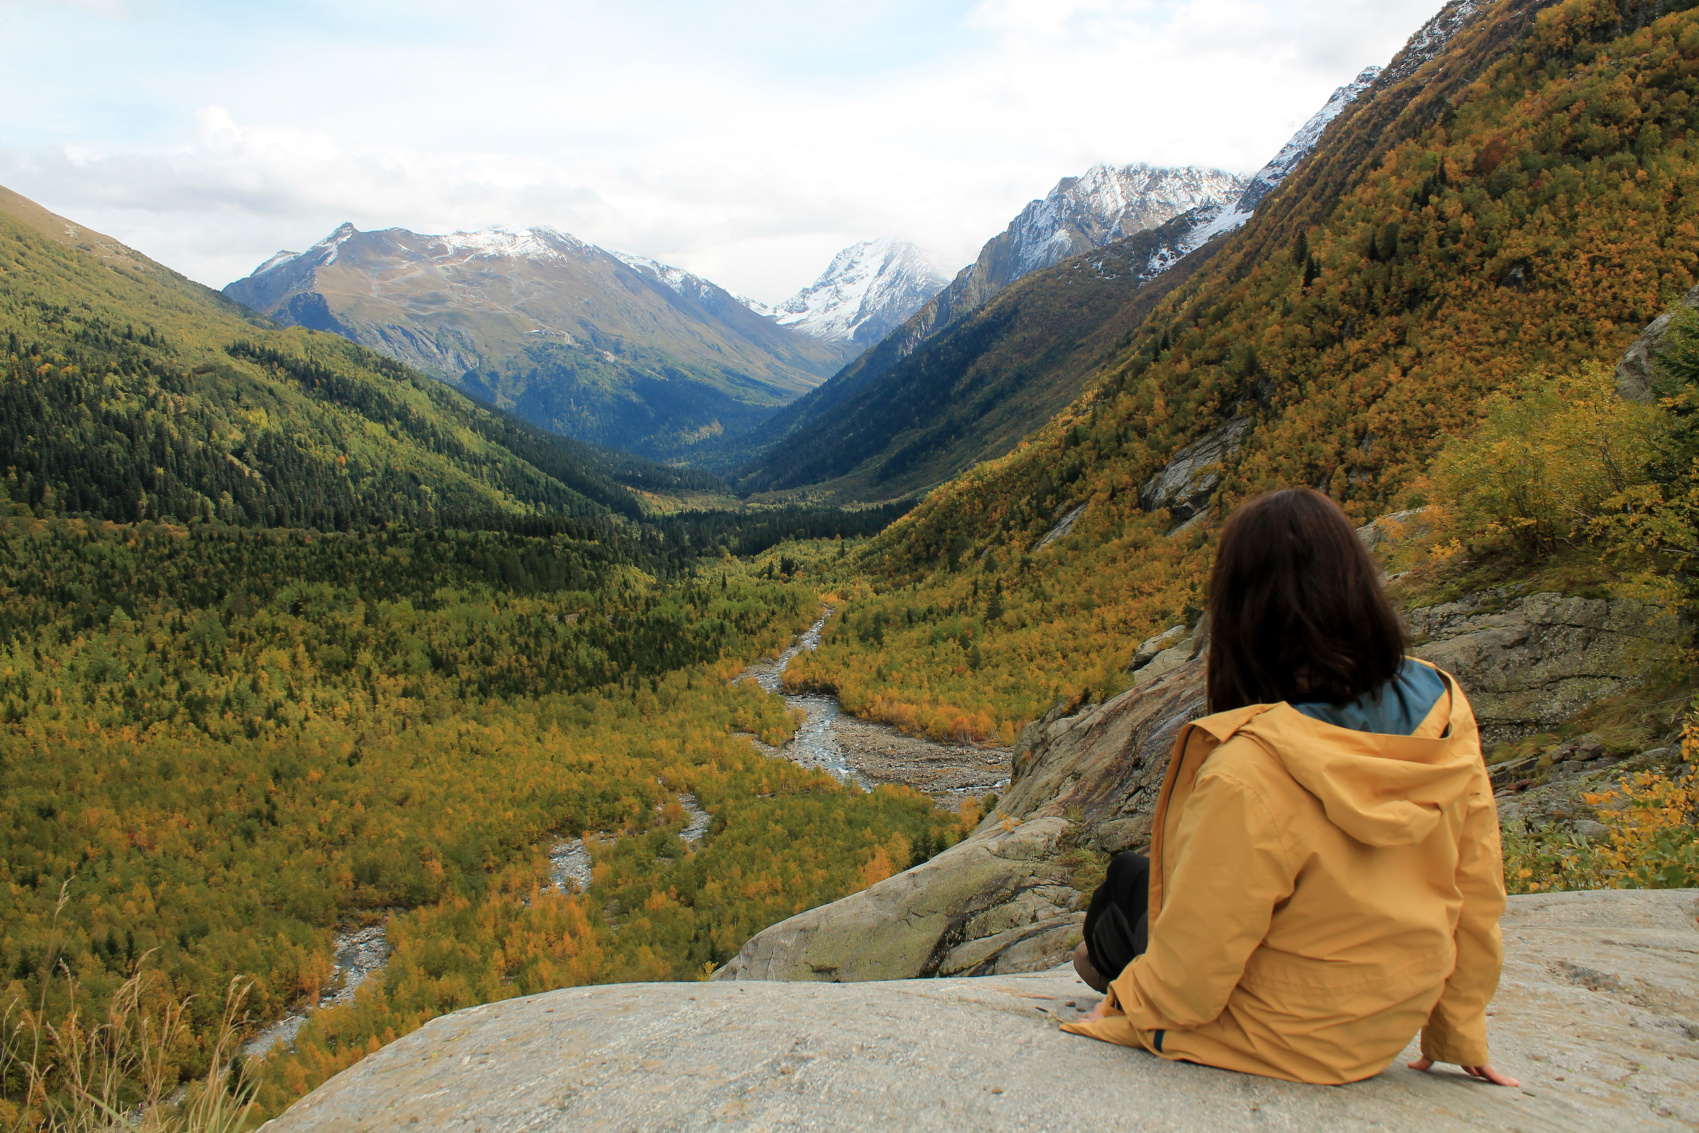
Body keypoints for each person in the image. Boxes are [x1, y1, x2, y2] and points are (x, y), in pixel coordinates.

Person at [1061, 487, 1514, 1087]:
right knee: (1142, 875)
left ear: (1242, 611)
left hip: (1272, 1036)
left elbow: (1195, 969)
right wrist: (1458, 1027)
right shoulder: (1444, 710)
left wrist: (1125, 1012)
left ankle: (1100, 969)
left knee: (1124, 882)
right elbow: (1476, 884)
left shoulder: (1252, 769)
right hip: (1378, 1029)